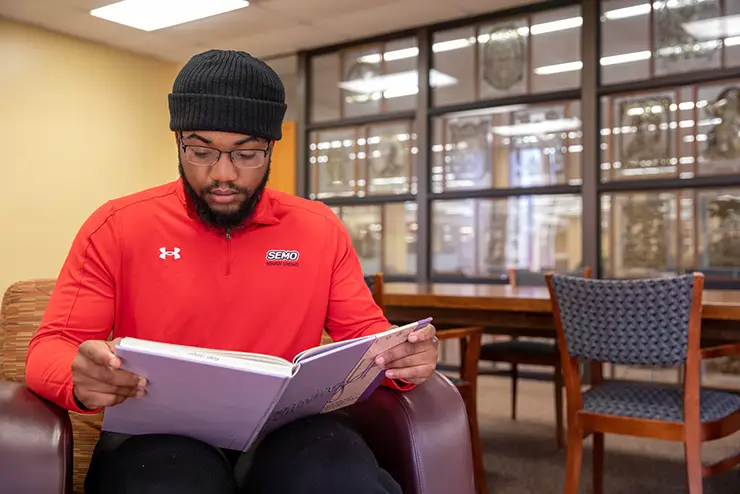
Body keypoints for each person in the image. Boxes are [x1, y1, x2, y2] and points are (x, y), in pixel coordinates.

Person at [24, 49, 439, 494]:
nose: (223, 175)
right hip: (158, 436)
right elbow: (51, 346)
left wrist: (406, 356)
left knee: (340, 480)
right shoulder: (117, 226)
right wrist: (79, 377)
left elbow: (366, 335)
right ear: (178, 140)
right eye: (201, 151)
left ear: (271, 148)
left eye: (246, 154)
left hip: (293, 431)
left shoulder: (318, 229)